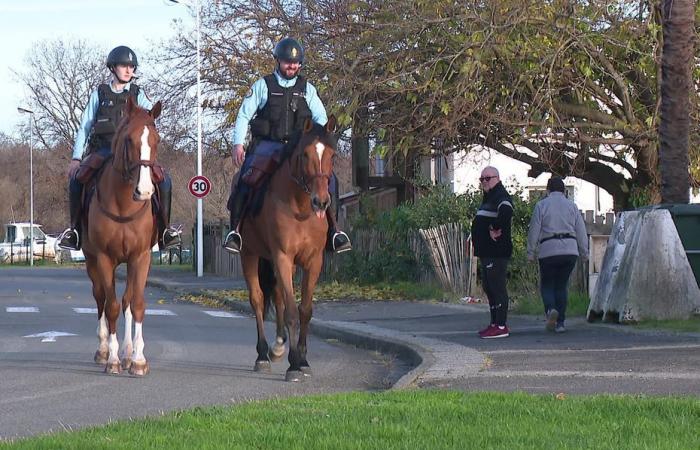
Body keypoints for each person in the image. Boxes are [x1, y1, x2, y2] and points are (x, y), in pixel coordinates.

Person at [223, 37, 351, 254]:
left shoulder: (307, 89)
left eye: (296, 62)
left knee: (330, 180)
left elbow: (320, 117)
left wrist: (321, 141)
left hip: (298, 148)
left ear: (300, 64)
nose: (291, 66)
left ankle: (335, 232)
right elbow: (244, 115)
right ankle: (235, 231)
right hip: (268, 145)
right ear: (278, 61)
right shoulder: (262, 86)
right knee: (246, 176)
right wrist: (238, 144)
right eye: (287, 62)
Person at [57, 46, 181, 252]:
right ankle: (75, 230)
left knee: (164, 180)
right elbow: (85, 126)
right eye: (124, 65)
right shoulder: (99, 94)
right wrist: (76, 158)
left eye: (132, 66)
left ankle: (165, 230)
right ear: (113, 67)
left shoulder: (138, 94)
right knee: (77, 180)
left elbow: (149, 121)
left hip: (134, 153)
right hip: (102, 150)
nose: (128, 70)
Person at [526, 176, 589, 333]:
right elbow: (581, 231)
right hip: (569, 250)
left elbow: (534, 230)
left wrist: (530, 252)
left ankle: (550, 310)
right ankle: (560, 323)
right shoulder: (572, 206)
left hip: (548, 250)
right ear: (564, 190)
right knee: (561, 286)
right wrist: (584, 253)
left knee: (547, 285)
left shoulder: (542, 206)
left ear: (548, 190)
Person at [471, 167, 514, 339]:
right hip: (486, 252)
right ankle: (494, 323)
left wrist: (494, 227)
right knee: (489, 288)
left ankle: (501, 325)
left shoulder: (500, 195)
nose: (484, 182)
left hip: (496, 252)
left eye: (487, 178)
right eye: (482, 179)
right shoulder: (489, 197)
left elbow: (507, 212)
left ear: (497, 178)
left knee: (497, 287)